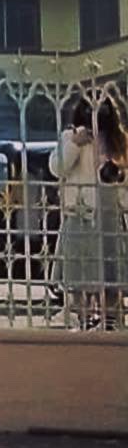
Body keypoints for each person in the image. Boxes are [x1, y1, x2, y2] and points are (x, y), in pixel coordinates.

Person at [50, 92, 128, 329]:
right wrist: (75, 143)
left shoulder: (117, 140)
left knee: (111, 276)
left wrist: (120, 174)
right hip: (80, 214)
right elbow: (57, 168)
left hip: (108, 216)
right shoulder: (70, 137)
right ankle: (83, 320)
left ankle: (112, 321)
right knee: (80, 277)